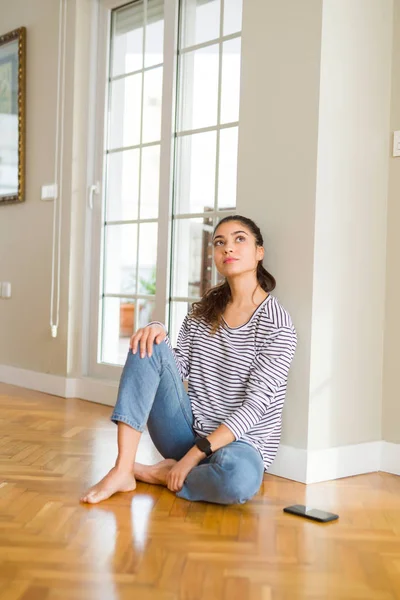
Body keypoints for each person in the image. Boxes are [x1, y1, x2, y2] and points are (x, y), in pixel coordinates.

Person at [81, 215, 297, 505]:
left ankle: (158, 474)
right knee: (148, 341)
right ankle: (123, 469)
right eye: (219, 242)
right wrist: (156, 328)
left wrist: (192, 457)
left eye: (239, 239)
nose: (227, 248)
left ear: (260, 252)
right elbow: (177, 366)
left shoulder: (277, 325)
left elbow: (256, 407)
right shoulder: (204, 311)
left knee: (236, 482)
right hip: (185, 432)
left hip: (240, 445)